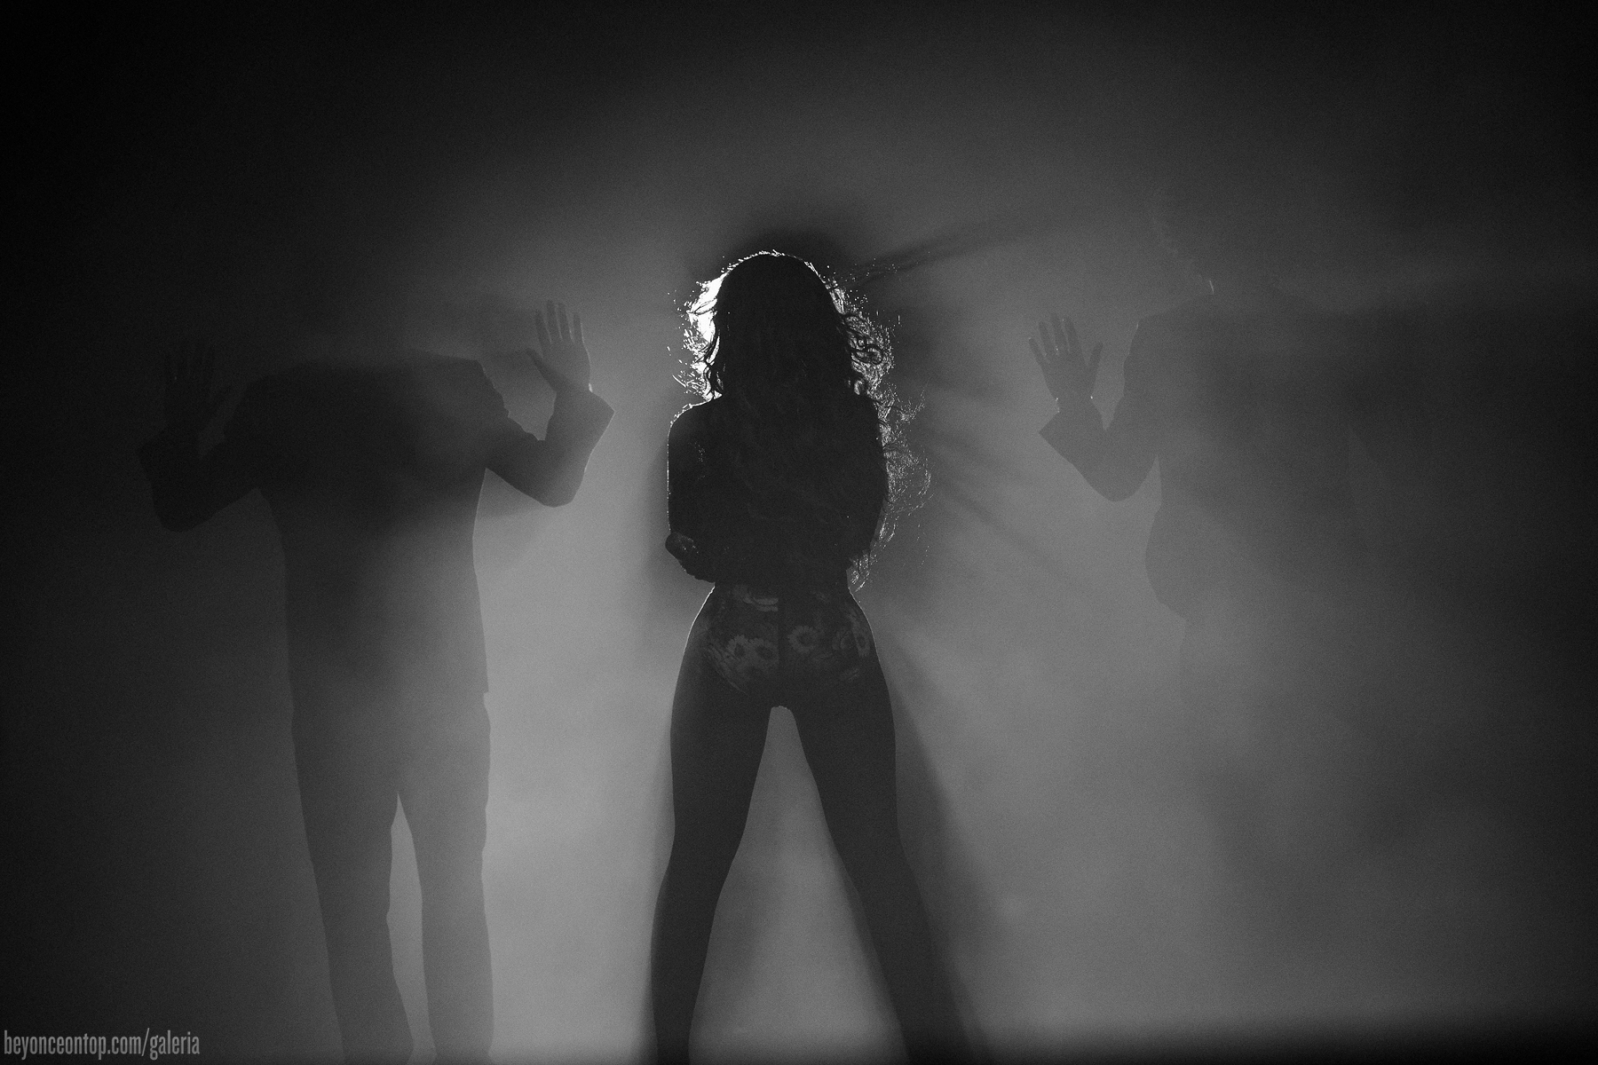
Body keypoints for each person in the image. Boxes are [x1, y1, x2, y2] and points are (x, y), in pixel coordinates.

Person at [140, 302, 612, 1064]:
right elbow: (553, 481)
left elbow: (182, 503)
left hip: (342, 698)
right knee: (449, 899)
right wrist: (574, 395)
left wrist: (182, 429)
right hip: (439, 688)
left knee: (355, 912)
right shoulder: (451, 387)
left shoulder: (285, 400)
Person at [1028, 180, 1430, 904]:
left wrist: (1074, 401)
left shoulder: (1174, 339)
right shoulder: (1313, 333)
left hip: (1242, 601)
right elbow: (1403, 466)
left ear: (1190, 247)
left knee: (1256, 785)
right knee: (1319, 781)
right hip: (1296, 597)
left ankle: (1288, 915)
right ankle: (1330, 914)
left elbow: (1118, 475)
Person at [650, 252, 967, 1063]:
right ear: (820, 328)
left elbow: (690, 545)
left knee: (697, 866)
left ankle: (667, 1051)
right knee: (879, 860)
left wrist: (734, 547)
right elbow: (860, 532)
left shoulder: (697, 431)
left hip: (738, 637)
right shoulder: (850, 420)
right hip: (832, 636)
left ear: (726, 331)